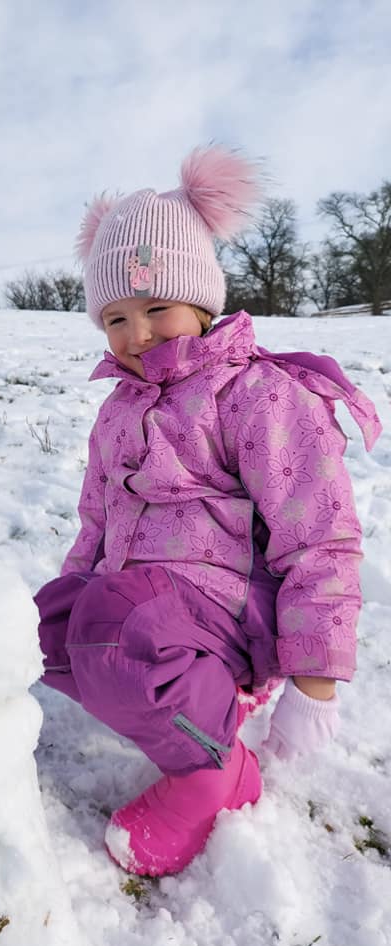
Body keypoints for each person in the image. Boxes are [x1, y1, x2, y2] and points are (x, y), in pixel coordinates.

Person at [34, 145, 382, 878]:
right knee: (52, 628)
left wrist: (316, 682)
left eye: (155, 308)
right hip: (146, 604)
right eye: (116, 318)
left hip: (231, 611)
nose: (137, 335)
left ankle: (215, 770)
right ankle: (186, 699)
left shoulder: (256, 395)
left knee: (117, 633)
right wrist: (71, 602)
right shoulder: (117, 412)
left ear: (201, 300)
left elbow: (319, 538)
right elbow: (97, 523)